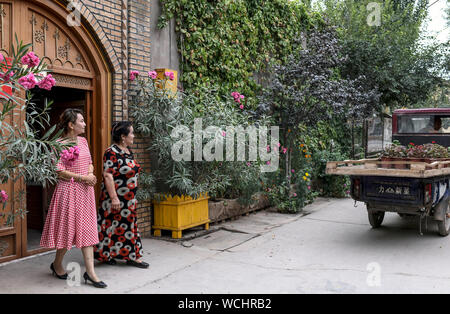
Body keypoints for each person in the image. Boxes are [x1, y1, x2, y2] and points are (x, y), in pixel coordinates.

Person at [40, 108, 107, 288]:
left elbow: (90, 162)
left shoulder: (83, 141)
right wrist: (82, 178)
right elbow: (58, 170)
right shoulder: (59, 144)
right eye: (81, 121)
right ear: (71, 125)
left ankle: (91, 272)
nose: (85, 124)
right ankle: (57, 264)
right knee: (67, 230)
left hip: (85, 191)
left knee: (87, 230)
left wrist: (91, 174)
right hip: (67, 191)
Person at [93, 121, 149, 269]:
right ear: (123, 136)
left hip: (129, 199)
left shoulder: (128, 151)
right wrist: (114, 198)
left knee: (128, 227)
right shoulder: (111, 152)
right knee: (109, 225)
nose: (134, 136)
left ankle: (131, 256)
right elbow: (108, 175)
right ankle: (106, 256)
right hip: (114, 198)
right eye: (131, 133)